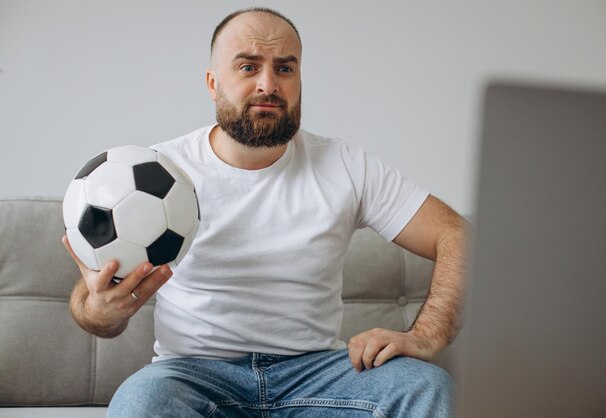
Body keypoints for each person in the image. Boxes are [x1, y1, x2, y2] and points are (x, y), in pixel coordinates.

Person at [63, 7, 467, 417]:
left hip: (318, 373)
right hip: (193, 375)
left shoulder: (344, 164)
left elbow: (457, 235)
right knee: (139, 405)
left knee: (429, 389)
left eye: (285, 68)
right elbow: (91, 301)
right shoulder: (157, 174)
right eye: (247, 66)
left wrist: (427, 334)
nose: (268, 84)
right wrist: (99, 310)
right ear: (212, 82)